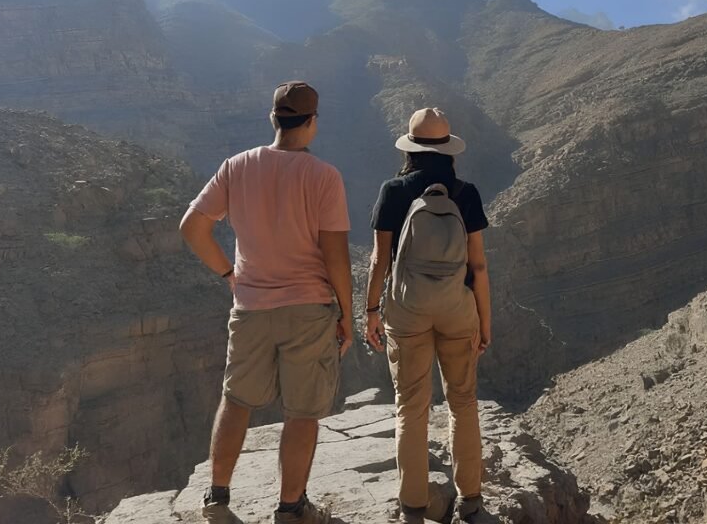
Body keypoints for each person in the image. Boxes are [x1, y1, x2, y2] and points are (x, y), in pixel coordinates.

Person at [179, 81, 352, 524]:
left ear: (273, 119)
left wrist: (229, 275)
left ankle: (217, 497)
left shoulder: (236, 167)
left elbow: (192, 228)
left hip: (251, 305)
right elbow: (335, 255)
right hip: (309, 309)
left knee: (237, 399)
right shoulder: (324, 177)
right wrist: (348, 316)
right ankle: (290, 507)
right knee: (302, 412)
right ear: (312, 124)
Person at [364, 108, 492, 524]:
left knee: (411, 408)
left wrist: (370, 311)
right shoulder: (465, 192)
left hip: (407, 310)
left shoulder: (393, 190)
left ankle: (414, 511)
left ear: (411, 149)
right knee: (463, 402)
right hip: (458, 309)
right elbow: (479, 267)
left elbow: (380, 261)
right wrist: (484, 323)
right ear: (448, 149)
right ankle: (471, 503)